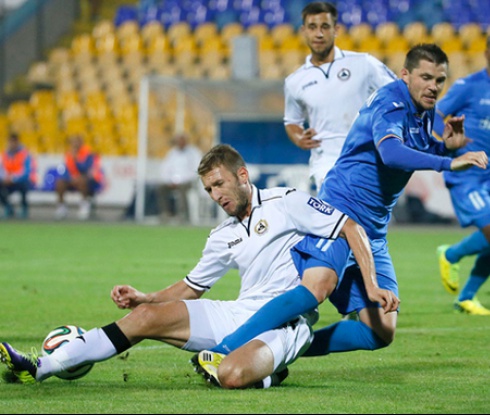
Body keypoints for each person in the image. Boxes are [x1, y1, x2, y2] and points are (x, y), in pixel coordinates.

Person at [196, 44, 488, 380]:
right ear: (405, 75)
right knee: (315, 289)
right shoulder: (390, 102)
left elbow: (414, 145)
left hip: (373, 231)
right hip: (338, 212)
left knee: (381, 331)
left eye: (439, 79)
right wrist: (447, 162)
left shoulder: (420, 112)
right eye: (425, 77)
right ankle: (222, 350)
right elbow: (391, 152)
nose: (433, 86)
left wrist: (444, 145)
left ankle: (286, 351)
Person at [0, 144, 398, 389]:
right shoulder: (221, 235)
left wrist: (372, 283)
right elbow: (193, 286)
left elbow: (349, 226)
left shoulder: (287, 202)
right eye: (209, 190)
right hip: (237, 312)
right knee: (144, 318)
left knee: (230, 375)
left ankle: (270, 370)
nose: (216, 195)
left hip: (284, 322)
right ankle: (39, 366)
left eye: (220, 184)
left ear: (242, 176)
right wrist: (147, 296)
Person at [284, 2, 397, 193]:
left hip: (367, 156)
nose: (319, 34)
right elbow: (292, 120)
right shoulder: (295, 81)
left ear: (336, 30)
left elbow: (398, 93)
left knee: (362, 221)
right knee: (341, 214)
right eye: (312, 27)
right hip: (325, 161)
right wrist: (299, 137)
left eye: (325, 27)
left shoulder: (364, 64)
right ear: (303, 31)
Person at [434, 35, 490, 315]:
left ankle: (466, 297)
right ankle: (451, 254)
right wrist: (444, 143)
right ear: (487, 52)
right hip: (468, 174)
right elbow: (434, 112)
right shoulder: (469, 87)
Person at [54, 135, 105, 221]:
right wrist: (70, 177)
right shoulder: (69, 154)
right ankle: (61, 206)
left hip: (87, 179)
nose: (74, 145)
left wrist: (76, 160)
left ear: (81, 143)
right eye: (73, 143)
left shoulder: (88, 154)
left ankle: (84, 205)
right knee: (60, 182)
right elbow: (65, 169)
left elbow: (86, 169)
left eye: (76, 143)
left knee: (81, 181)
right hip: (72, 179)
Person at [158, 132, 203, 223]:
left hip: (188, 181)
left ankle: (182, 214)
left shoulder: (193, 153)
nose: (180, 143)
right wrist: (169, 180)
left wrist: (181, 180)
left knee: (183, 189)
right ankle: (165, 213)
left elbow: (197, 169)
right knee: (161, 188)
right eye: (179, 141)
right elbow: (165, 169)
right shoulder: (172, 153)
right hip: (173, 182)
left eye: (182, 141)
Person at [0, 133, 37, 219]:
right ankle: (8, 208)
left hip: (20, 181)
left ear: (17, 142)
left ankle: (24, 207)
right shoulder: (4, 155)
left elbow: (26, 172)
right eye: (10, 142)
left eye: (13, 142)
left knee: (24, 185)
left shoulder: (24, 154)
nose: (11, 144)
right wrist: (4, 178)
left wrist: (13, 178)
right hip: (7, 181)